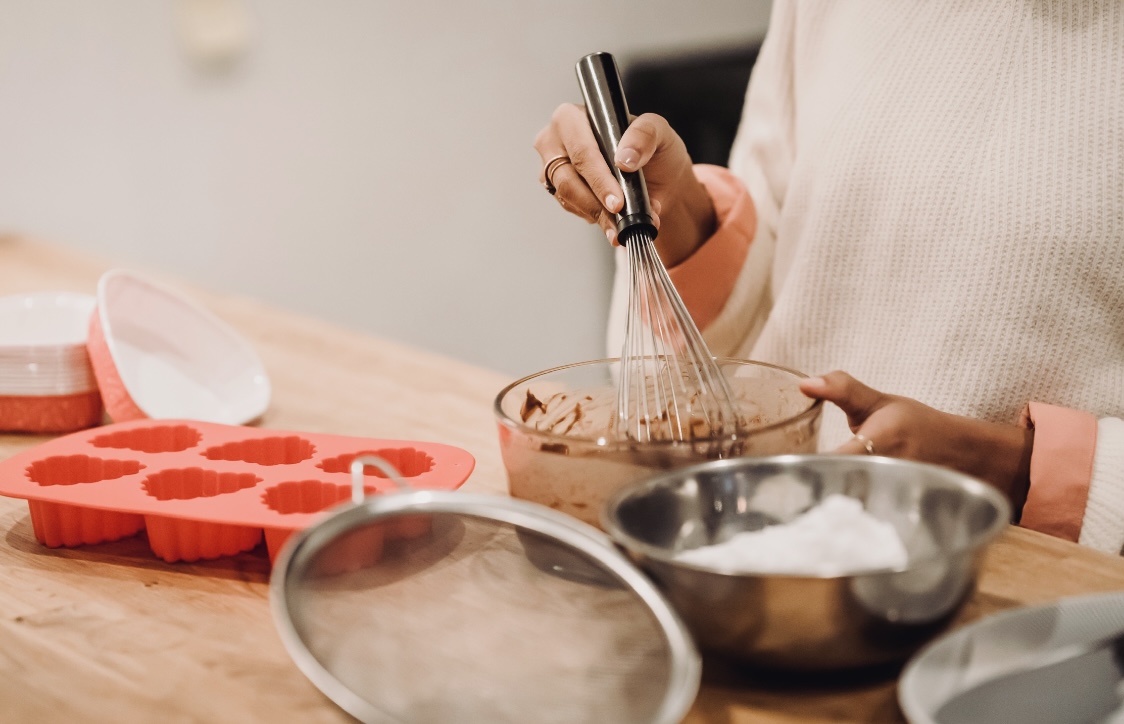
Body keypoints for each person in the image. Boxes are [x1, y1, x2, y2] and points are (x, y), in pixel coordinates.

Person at [534, 1, 1124, 554]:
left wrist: (1016, 468)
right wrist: (680, 211)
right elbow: (784, 252)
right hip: (775, 538)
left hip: (1029, 585)